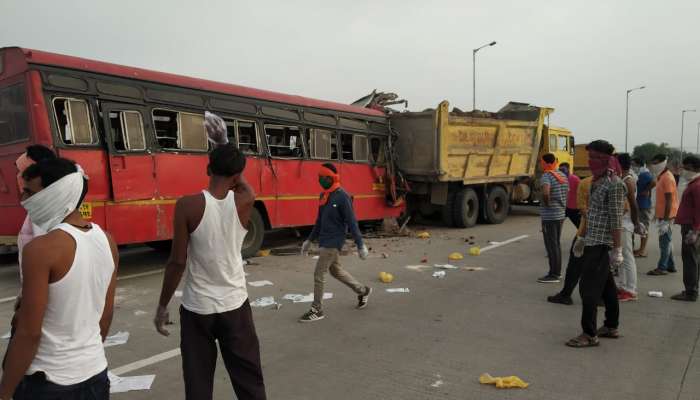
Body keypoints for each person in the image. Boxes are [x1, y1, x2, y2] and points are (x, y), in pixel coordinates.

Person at [154, 144, 266, 400]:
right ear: (237, 176)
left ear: (207, 168)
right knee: (249, 380)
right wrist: (238, 176)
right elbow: (247, 188)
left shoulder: (187, 206)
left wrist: (162, 306)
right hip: (235, 305)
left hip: (197, 309)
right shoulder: (245, 200)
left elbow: (177, 262)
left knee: (198, 382)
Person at [0, 157, 118, 399]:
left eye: (30, 193)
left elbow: (28, 333)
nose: (24, 201)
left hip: (47, 382)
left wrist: (5, 391)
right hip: (95, 374)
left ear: (55, 193)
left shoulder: (40, 250)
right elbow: (105, 317)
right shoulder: (107, 240)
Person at [566, 140, 624, 348]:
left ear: (609, 159)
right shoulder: (595, 182)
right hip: (591, 239)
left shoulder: (615, 184)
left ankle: (589, 334)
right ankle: (611, 325)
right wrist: (582, 237)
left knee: (588, 289)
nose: (592, 162)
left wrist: (617, 249)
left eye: (597, 158)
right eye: (590, 157)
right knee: (607, 286)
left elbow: (616, 218)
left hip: (601, 243)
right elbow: (595, 214)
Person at [299, 162, 371, 322]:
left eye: (323, 177)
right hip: (324, 240)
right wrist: (309, 240)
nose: (320, 180)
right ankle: (363, 290)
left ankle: (316, 309)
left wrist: (360, 245)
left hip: (334, 241)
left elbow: (352, 222)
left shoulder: (342, 196)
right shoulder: (324, 195)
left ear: (331, 178)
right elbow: (319, 221)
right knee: (335, 271)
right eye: (319, 177)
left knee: (319, 273)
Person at [547, 175, 592, 305]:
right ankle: (602, 298)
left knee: (575, 265)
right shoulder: (615, 183)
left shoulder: (587, 183)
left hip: (585, 233)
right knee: (601, 266)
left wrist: (583, 235)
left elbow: (582, 209)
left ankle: (566, 294)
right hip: (604, 235)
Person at [671, 155, 700, 301]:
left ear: (695, 168)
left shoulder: (697, 185)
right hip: (690, 226)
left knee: (690, 259)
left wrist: (695, 230)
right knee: (693, 258)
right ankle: (692, 289)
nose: (684, 170)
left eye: (687, 168)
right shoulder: (693, 183)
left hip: (691, 226)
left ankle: (691, 292)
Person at [537, 153, 569, 283]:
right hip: (560, 214)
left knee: (551, 245)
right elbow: (567, 192)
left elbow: (545, 192)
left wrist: (547, 203)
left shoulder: (546, 176)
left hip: (550, 216)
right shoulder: (562, 175)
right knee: (556, 243)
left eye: (541, 162)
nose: (540, 164)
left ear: (545, 163)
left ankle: (554, 274)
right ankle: (557, 272)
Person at [617, 153, 644, 301]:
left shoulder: (628, 181)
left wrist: (636, 224)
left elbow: (634, 206)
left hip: (626, 224)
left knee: (627, 257)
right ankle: (623, 286)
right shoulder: (622, 179)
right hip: (620, 223)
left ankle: (631, 289)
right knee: (620, 257)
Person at [647, 154, 679, 275]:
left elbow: (669, 200)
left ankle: (662, 267)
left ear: (662, 162)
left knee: (664, 243)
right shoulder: (661, 176)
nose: (653, 165)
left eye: (655, 163)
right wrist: (657, 214)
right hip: (664, 214)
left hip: (668, 215)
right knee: (667, 241)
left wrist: (665, 220)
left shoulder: (667, 178)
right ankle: (671, 265)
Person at [632, 157, 656, 257]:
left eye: (634, 164)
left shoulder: (645, 174)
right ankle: (639, 249)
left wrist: (647, 190)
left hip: (643, 205)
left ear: (639, 164)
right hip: (638, 203)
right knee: (637, 227)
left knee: (644, 227)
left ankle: (642, 250)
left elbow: (654, 182)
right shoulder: (639, 174)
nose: (632, 166)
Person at [560, 162, 581, 228]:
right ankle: (556, 237)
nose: (561, 172)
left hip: (574, 207)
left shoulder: (575, 179)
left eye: (563, 170)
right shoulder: (560, 179)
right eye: (560, 170)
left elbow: (581, 192)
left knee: (579, 225)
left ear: (568, 169)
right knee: (558, 223)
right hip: (564, 206)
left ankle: (582, 236)